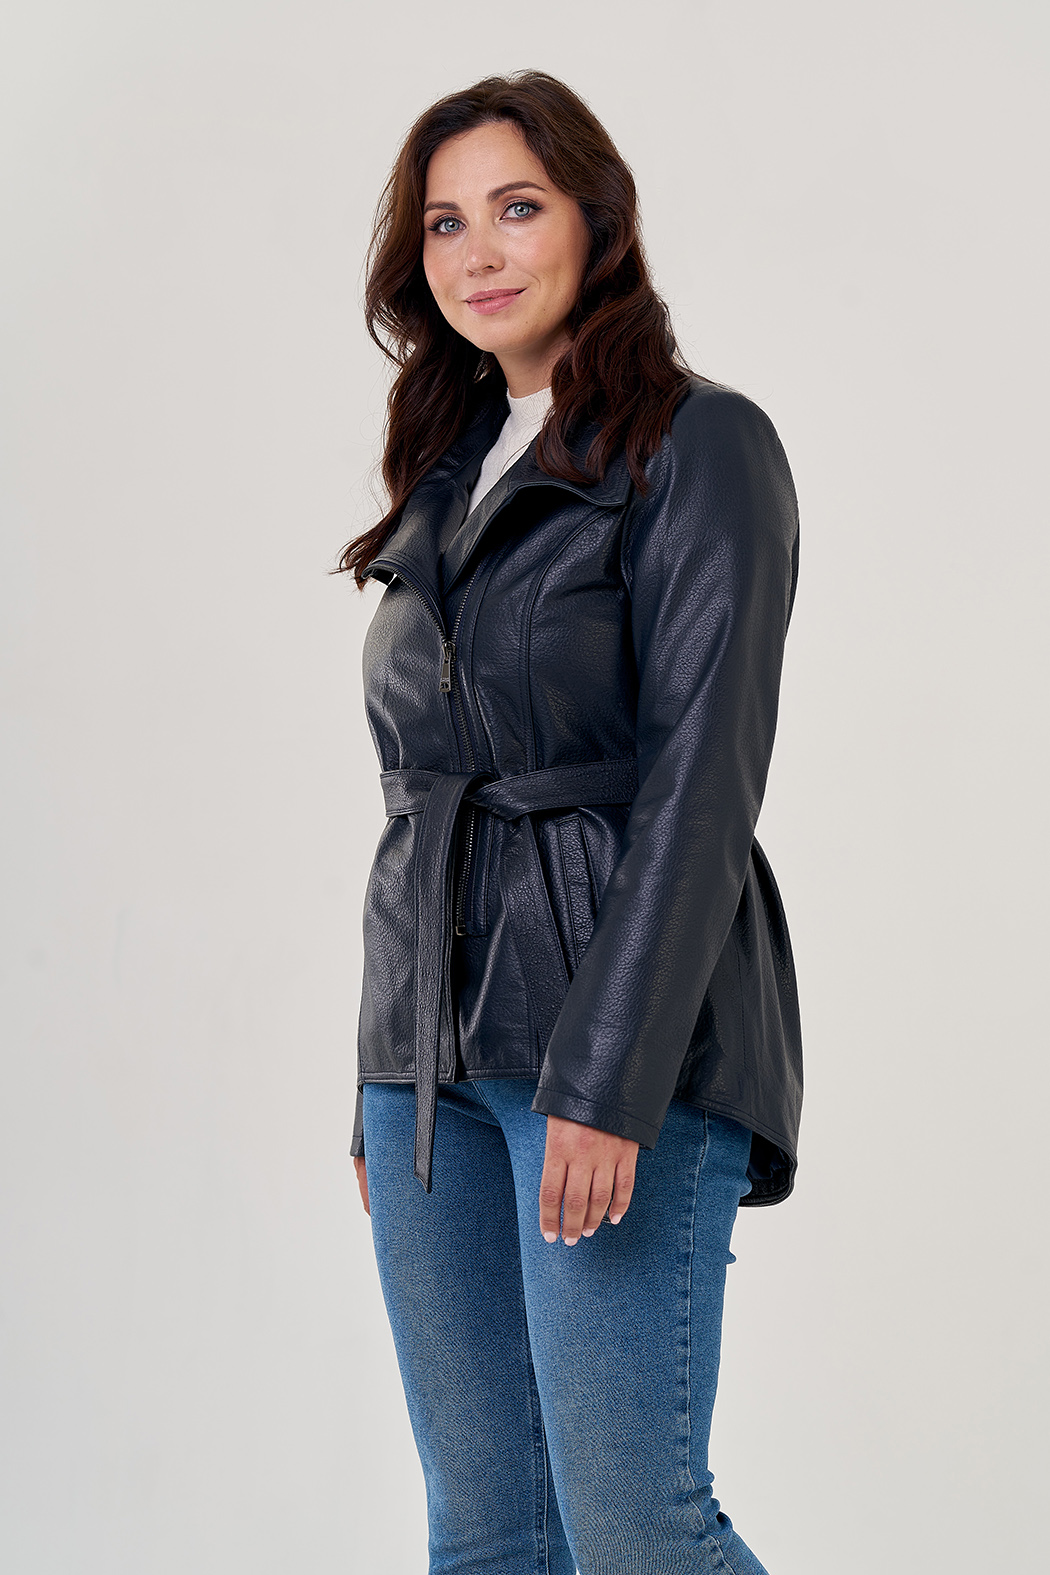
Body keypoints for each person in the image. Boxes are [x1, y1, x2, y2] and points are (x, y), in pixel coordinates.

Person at [339, 69, 802, 1575]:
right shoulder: (444, 474)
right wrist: (380, 1069)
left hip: (612, 1047)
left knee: (635, 1533)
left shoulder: (699, 447)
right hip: (430, 1071)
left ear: (597, 221)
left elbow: (702, 784)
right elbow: (422, 801)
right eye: (444, 223)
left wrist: (608, 1076)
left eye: (516, 208)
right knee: (486, 1537)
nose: (477, 251)